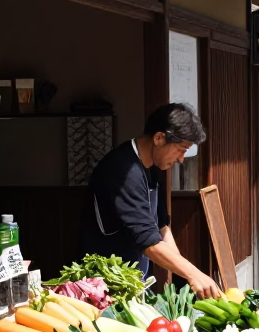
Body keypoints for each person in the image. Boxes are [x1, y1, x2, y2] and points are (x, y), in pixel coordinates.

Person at [81, 102, 221, 298]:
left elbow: (161, 226)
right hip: (105, 286)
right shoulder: (122, 170)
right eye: (181, 149)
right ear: (159, 138)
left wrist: (185, 278)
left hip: (135, 281)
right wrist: (193, 274)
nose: (181, 159)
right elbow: (148, 241)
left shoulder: (154, 167)